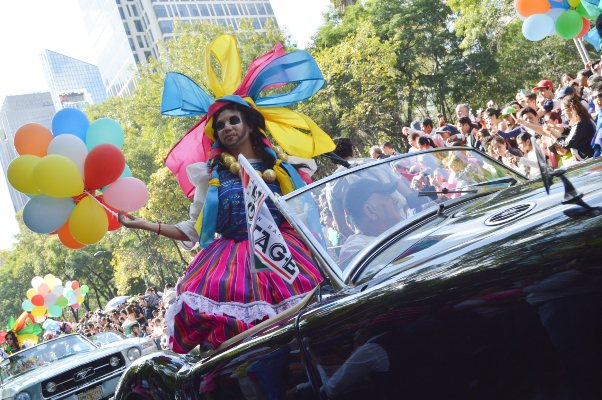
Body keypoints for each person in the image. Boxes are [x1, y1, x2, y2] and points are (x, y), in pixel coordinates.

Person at [118, 34, 332, 353]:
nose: (228, 127)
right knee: (254, 347)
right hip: (232, 266)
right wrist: (143, 224)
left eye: (234, 120)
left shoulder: (286, 169)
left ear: (249, 123)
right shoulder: (211, 176)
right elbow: (192, 230)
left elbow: (305, 214)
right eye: (220, 124)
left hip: (284, 253)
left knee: (310, 331)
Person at [339, 179, 406, 265]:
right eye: (386, 196)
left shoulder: (400, 227)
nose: (396, 200)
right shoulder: (356, 249)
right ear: (370, 211)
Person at [560, 95, 595, 160]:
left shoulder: (581, 123)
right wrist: (561, 130)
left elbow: (567, 144)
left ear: (570, 108)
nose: (562, 113)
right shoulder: (583, 118)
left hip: (591, 160)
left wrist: (555, 137)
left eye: (563, 110)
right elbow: (574, 132)